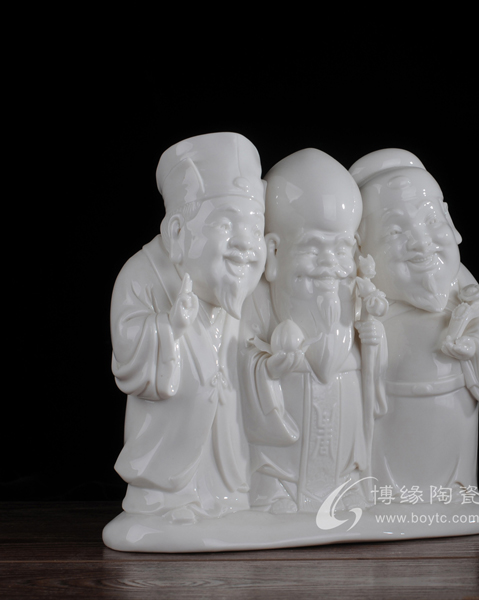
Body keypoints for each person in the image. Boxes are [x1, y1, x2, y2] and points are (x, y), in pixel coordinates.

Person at [110, 132, 267, 522]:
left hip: (225, 425)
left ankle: (227, 497)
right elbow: (128, 350)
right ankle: (167, 499)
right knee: (172, 480)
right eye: (227, 225)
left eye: (255, 229)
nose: (246, 244)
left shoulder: (236, 289)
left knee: (229, 468)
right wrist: (169, 328)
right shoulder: (142, 275)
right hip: (170, 431)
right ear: (177, 232)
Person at [350, 148, 479, 504]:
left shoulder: (462, 284)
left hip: (453, 403)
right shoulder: (363, 297)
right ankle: (384, 499)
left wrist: (474, 347)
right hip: (391, 408)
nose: (420, 241)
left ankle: (454, 495)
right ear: (363, 249)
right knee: (390, 478)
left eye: (431, 221)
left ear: (450, 222)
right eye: (395, 231)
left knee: (449, 474)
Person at [239, 148, 384, 513]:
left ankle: (347, 484)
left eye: (342, 249)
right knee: (278, 473)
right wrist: (268, 367)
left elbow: (374, 362)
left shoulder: (354, 294)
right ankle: (275, 492)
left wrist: (373, 345)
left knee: (345, 460)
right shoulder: (254, 299)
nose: (330, 264)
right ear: (273, 253)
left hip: (343, 406)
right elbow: (240, 359)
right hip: (285, 432)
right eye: (313, 247)